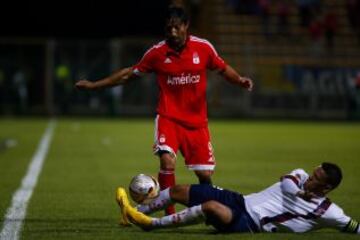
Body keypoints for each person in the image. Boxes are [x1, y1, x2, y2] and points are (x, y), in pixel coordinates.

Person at [75, 6, 253, 214]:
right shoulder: (157, 53)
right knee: (167, 162)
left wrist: (239, 80)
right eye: (169, 29)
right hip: (169, 117)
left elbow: (222, 68)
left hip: (197, 123)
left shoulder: (203, 48)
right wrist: (95, 85)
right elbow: (127, 75)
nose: (173, 33)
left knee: (204, 174)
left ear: (186, 26)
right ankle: (170, 215)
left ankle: (207, 210)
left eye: (177, 27)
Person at [116, 162, 360, 234]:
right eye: (313, 172)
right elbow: (287, 185)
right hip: (240, 200)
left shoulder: (328, 211)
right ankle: (135, 214)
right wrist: (301, 192)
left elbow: (353, 226)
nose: (310, 177)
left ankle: (151, 225)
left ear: (326, 188)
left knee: (210, 207)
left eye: (316, 178)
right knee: (180, 190)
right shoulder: (298, 177)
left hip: (249, 222)